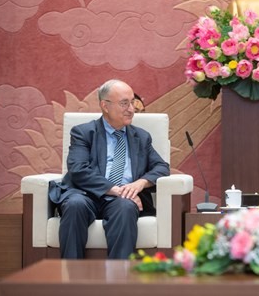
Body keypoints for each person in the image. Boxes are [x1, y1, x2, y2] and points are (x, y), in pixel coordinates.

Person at [48, 79, 170, 259]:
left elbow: (162, 167)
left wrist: (140, 183)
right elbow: (78, 169)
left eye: (132, 102)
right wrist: (116, 190)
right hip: (85, 194)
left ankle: (118, 279)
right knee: (74, 205)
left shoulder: (141, 137)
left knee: (126, 207)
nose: (131, 109)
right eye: (124, 103)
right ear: (105, 105)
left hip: (122, 200)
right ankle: (72, 277)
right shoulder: (83, 132)